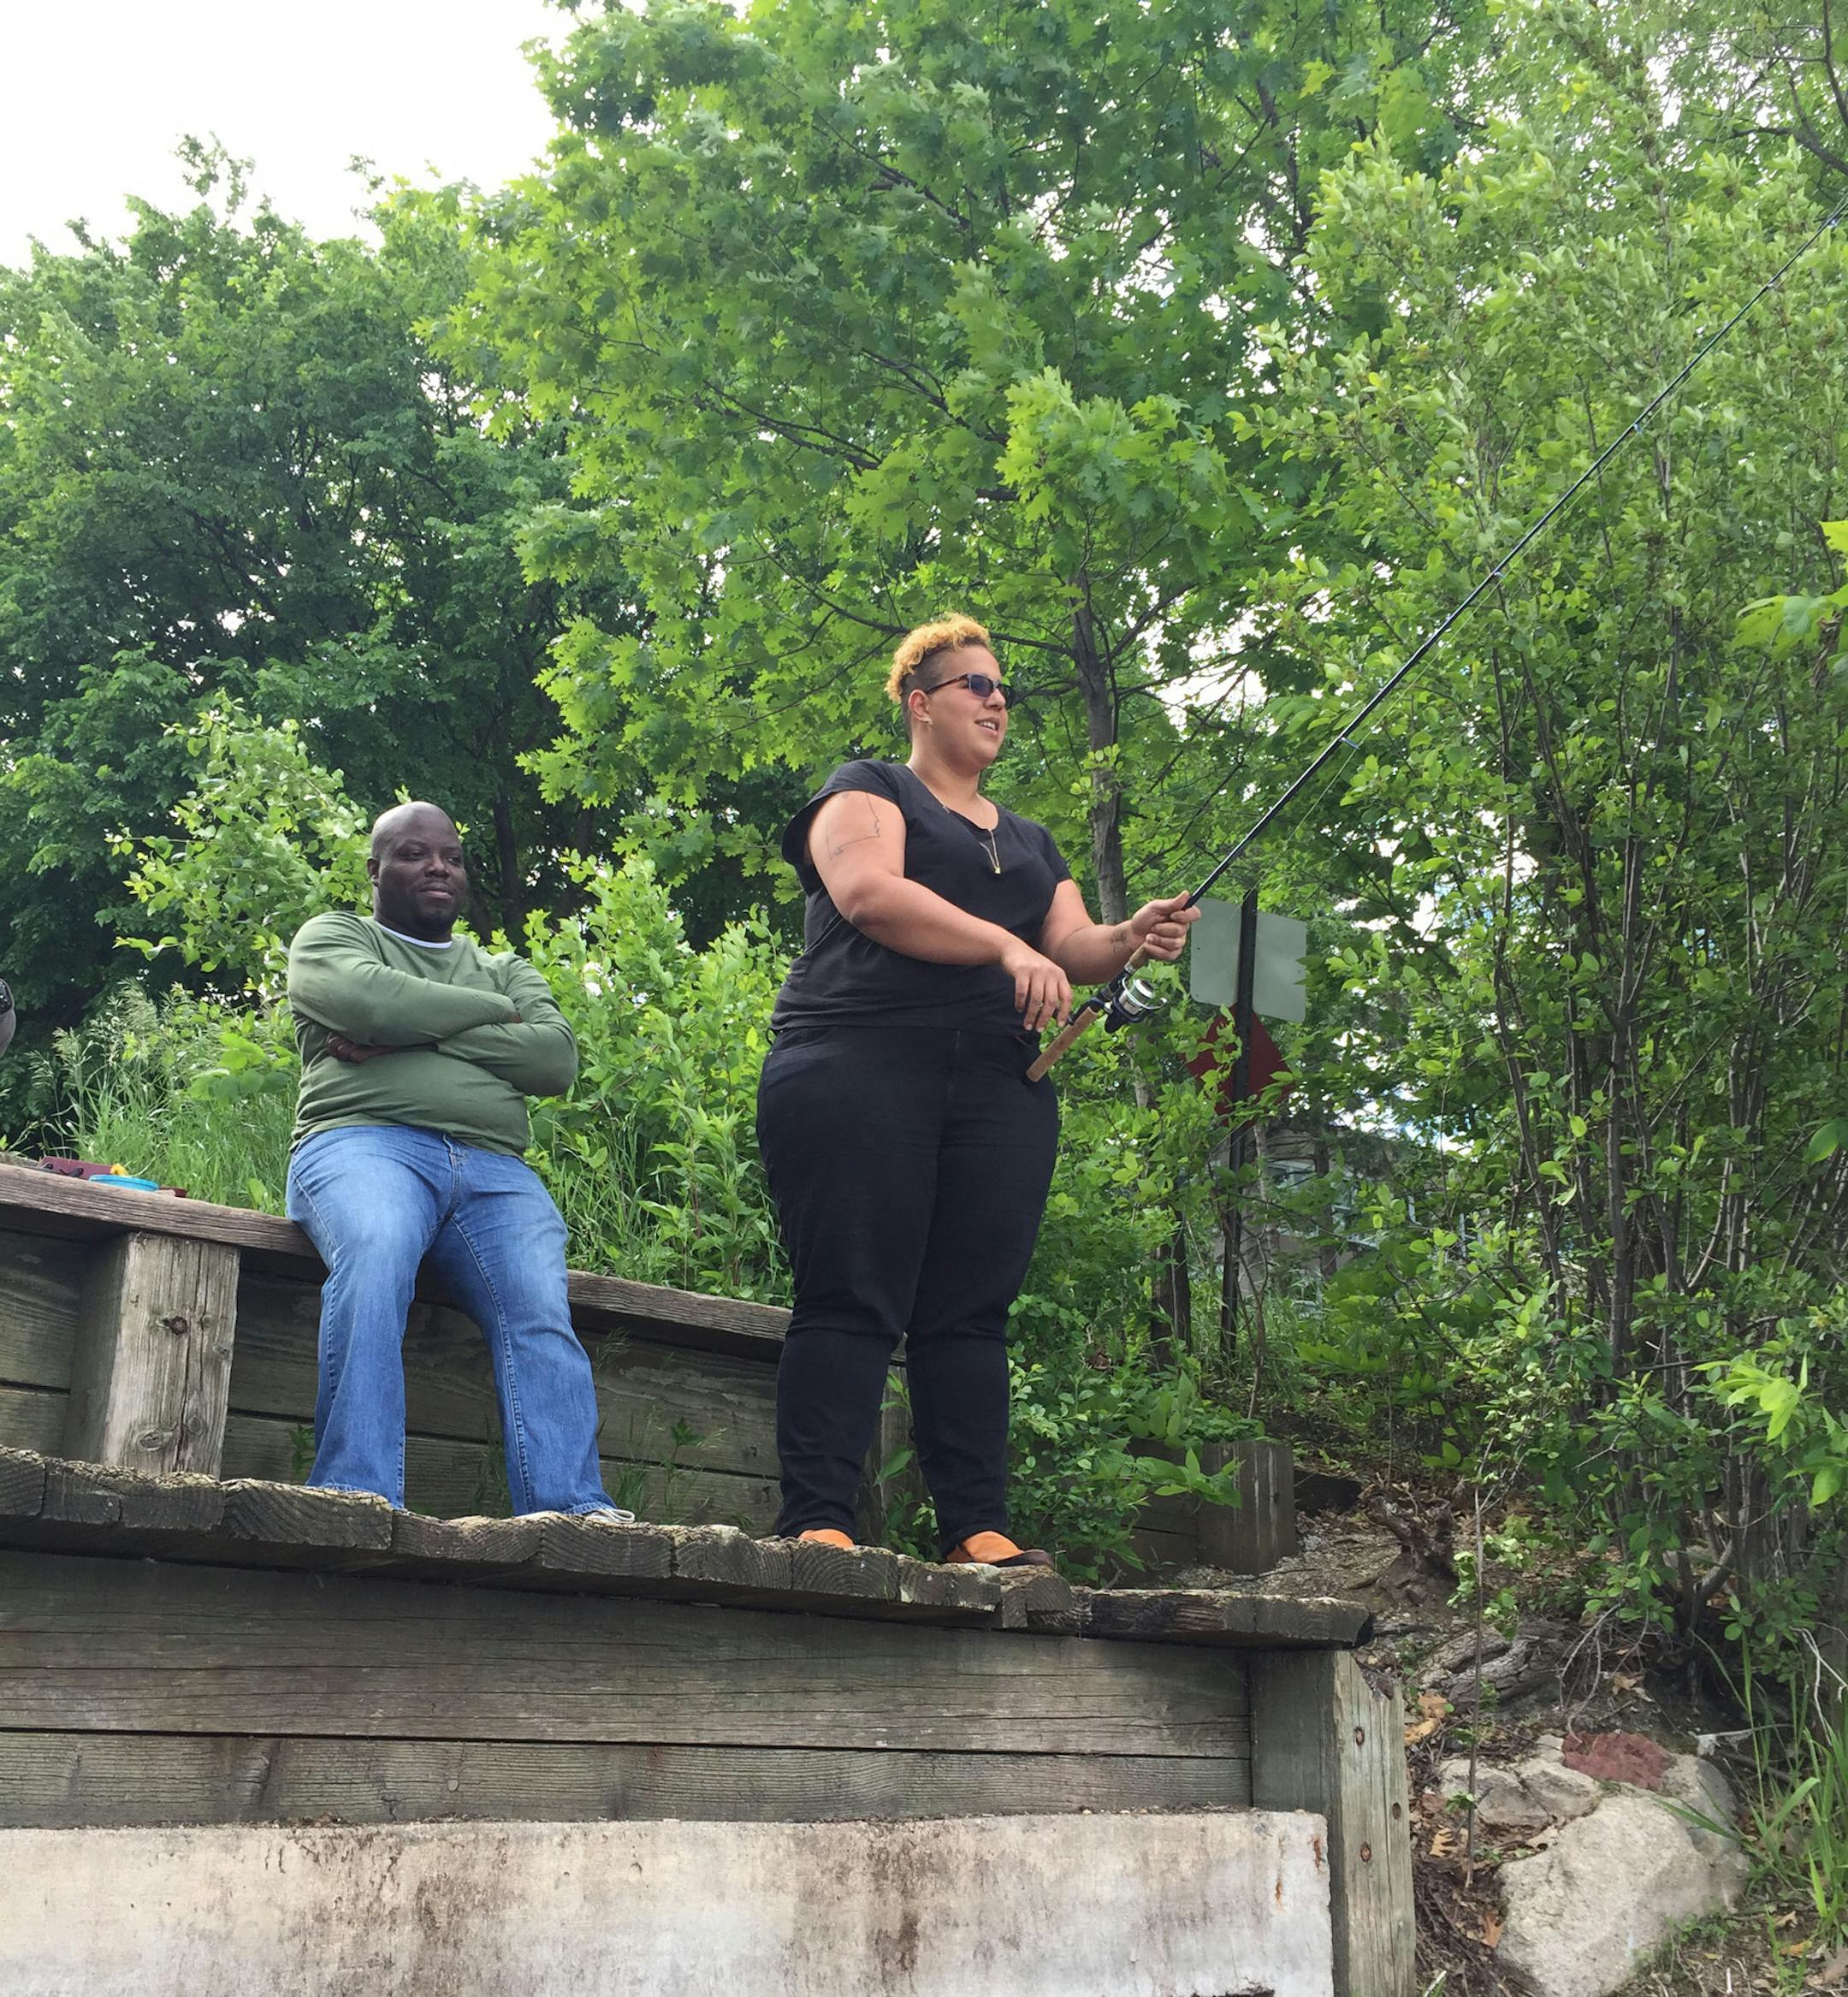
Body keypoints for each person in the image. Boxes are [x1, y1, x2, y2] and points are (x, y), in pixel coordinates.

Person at [757, 614, 1198, 1568]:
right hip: (856, 1062)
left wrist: (1131, 936)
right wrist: (1005, 946)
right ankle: (818, 1516)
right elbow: (868, 894)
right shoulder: (866, 793)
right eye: (977, 686)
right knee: (852, 1294)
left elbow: (1071, 948)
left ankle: (974, 1526)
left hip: (999, 1085)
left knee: (969, 1312)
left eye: (1005, 690)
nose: (999, 701)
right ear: (921, 703)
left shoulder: (1034, 844)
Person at [284, 801, 625, 1519]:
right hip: (361, 1143)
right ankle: (355, 1495)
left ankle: (571, 1511)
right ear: (375, 870)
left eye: (452, 857)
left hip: (496, 1169)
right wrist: (486, 1015)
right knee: (375, 1252)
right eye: (414, 854)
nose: (438, 867)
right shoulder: (334, 937)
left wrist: (421, 1032)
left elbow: (555, 1059)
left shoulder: (504, 965)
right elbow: (366, 1003)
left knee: (538, 1300)